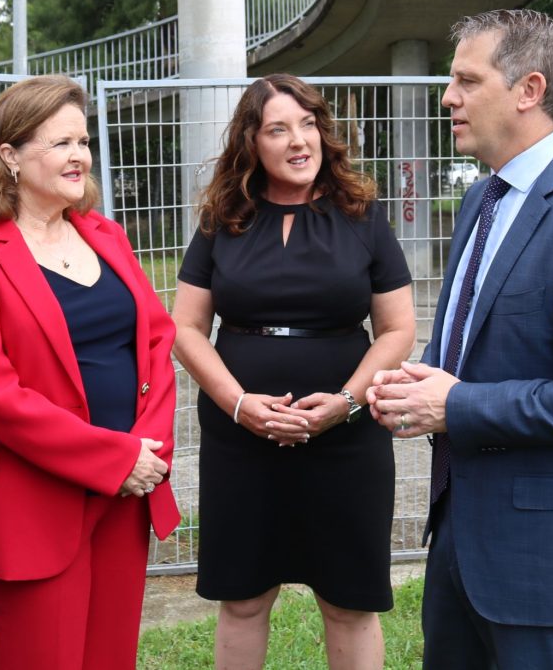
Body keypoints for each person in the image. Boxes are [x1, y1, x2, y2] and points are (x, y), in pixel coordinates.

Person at [367, 9, 553, 669]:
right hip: (461, 540)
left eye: (467, 81)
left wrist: (456, 404)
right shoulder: (484, 198)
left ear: (529, 90)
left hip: (543, 561)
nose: (449, 97)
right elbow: (480, 345)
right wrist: (422, 383)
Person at [0, 74, 181, 669]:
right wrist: (113, 460)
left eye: (83, 142)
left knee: (109, 658)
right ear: (10, 156)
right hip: (30, 505)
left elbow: (156, 342)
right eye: (61, 143)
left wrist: (146, 452)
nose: (79, 157)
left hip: (127, 492)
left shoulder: (106, 235)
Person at [172, 74, 416, 669]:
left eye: (308, 124)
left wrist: (347, 402)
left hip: (346, 440)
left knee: (349, 602)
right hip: (240, 440)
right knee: (245, 598)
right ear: (251, 142)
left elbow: (398, 329)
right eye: (278, 129)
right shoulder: (221, 218)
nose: (298, 141)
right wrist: (238, 405)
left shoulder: (362, 213)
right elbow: (184, 329)